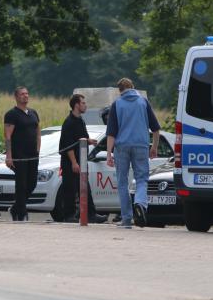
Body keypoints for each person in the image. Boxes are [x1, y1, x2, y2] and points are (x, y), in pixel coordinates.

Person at [106, 77, 161, 229]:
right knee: (142, 179)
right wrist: (154, 147)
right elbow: (156, 128)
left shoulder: (116, 104)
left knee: (122, 182)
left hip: (121, 147)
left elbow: (111, 133)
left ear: (120, 91)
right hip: (141, 145)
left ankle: (126, 219)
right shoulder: (143, 102)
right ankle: (140, 203)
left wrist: (108, 153)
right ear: (133, 87)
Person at [58, 94, 108, 224]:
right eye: (83, 103)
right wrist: (74, 163)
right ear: (76, 105)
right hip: (70, 162)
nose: (85, 105)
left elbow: (81, 138)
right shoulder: (69, 122)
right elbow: (68, 145)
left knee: (85, 188)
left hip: (82, 159)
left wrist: (89, 141)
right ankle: (69, 215)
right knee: (69, 189)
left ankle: (91, 214)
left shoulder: (80, 120)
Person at [4, 86, 40, 221]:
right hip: (19, 155)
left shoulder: (33, 113)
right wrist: (9, 156)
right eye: (22, 94)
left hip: (33, 155)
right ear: (17, 97)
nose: (26, 96)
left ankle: (15, 208)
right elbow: (7, 136)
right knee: (21, 184)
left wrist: (38, 149)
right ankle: (21, 213)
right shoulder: (12, 114)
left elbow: (37, 132)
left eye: (27, 94)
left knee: (32, 183)